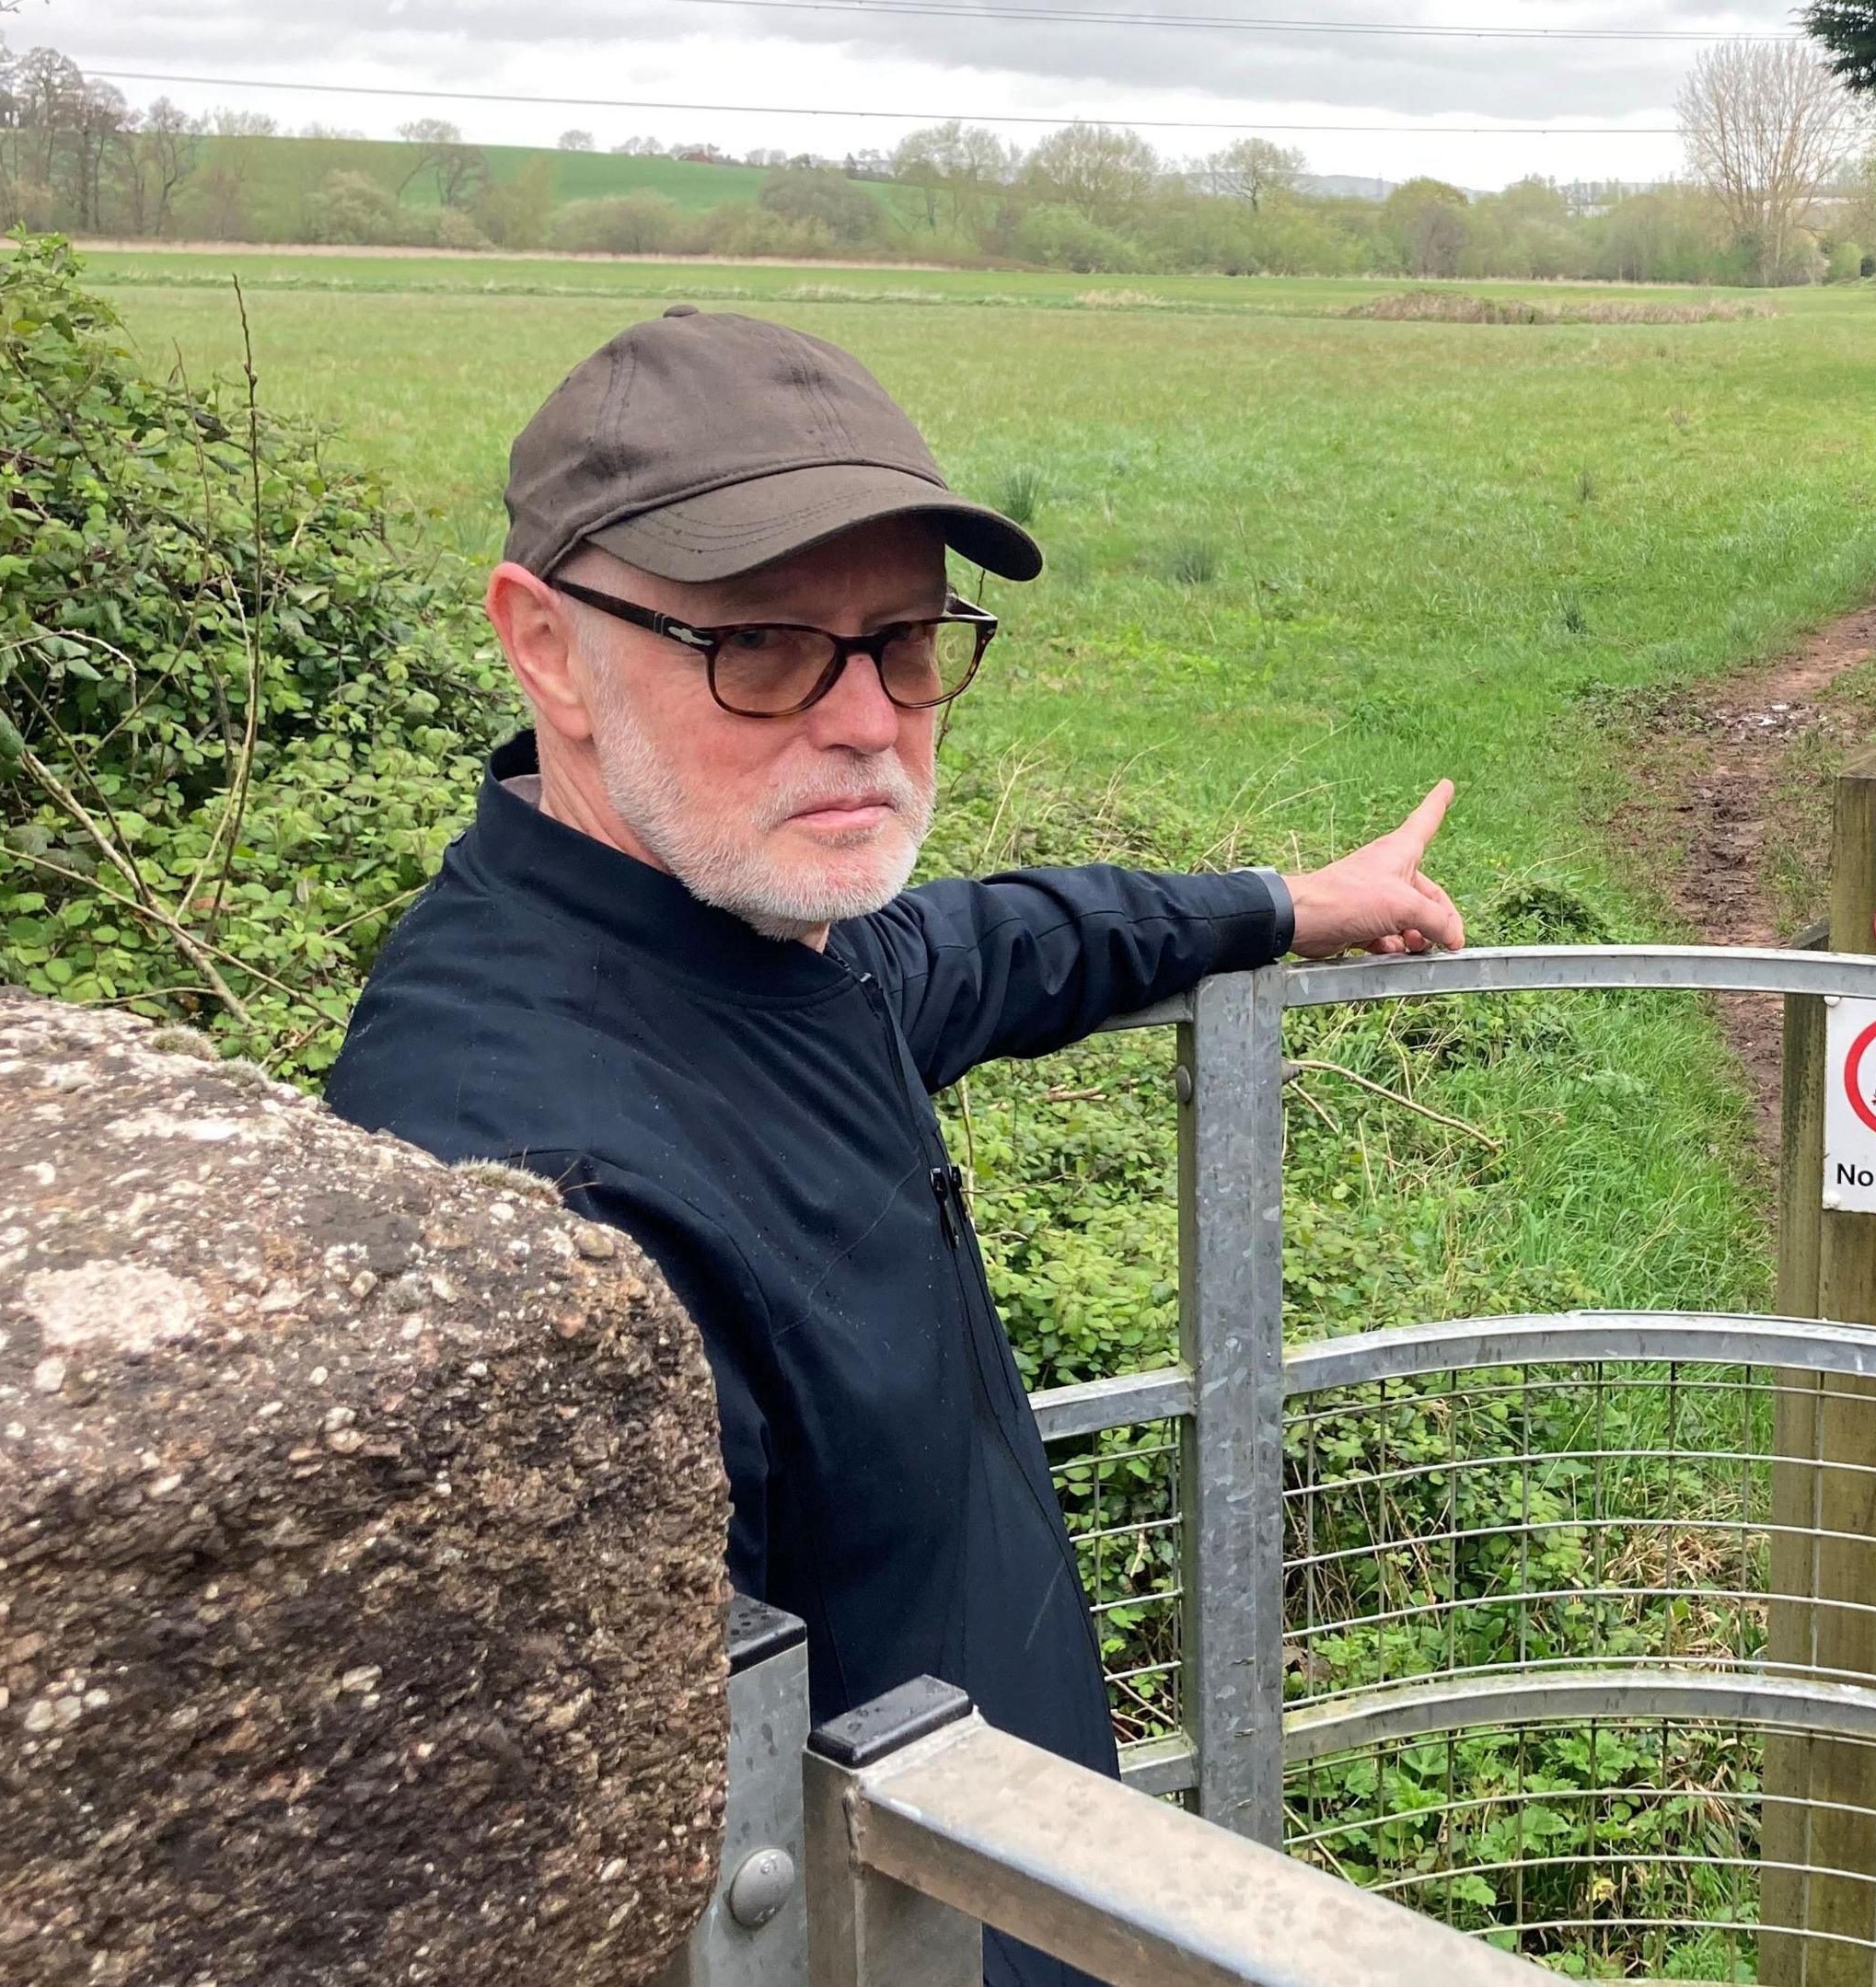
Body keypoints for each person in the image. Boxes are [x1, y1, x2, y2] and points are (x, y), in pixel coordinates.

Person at [326, 309, 1463, 1979]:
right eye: (768, 649)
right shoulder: (550, 1213)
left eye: (907, 642)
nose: (867, 720)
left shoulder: (742, 937)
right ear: (551, 648)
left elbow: (992, 945)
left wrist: (1286, 906)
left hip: (1012, 1861)